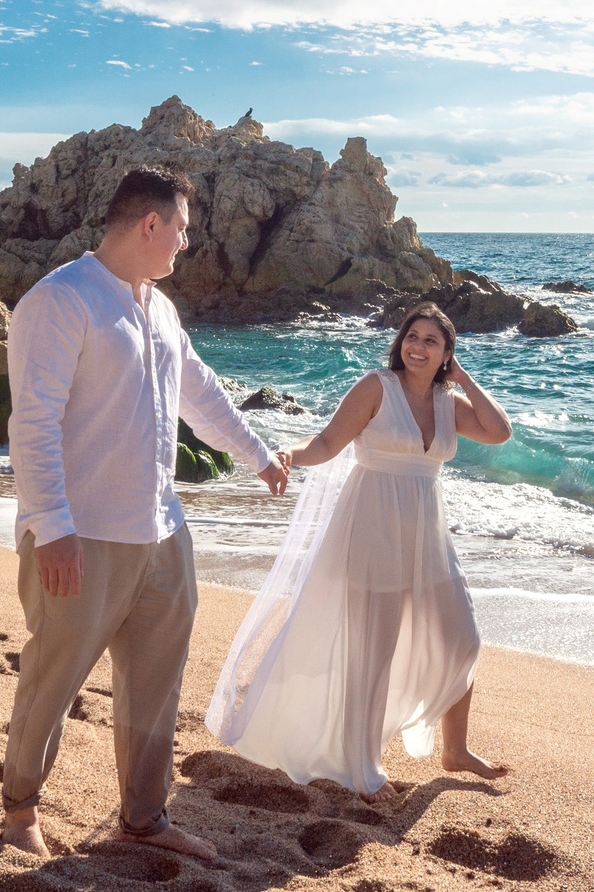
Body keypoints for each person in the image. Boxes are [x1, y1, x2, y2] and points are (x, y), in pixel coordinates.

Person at [0, 165, 289, 859]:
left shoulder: (159, 307)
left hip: (161, 527)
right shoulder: (62, 299)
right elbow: (32, 422)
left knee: (157, 681)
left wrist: (258, 453)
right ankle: (19, 809)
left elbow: (202, 392)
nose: (186, 243)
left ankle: (144, 817)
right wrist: (53, 524)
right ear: (149, 224)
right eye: (182, 229)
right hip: (82, 532)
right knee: (55, 673)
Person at [205, 301, 512, 797]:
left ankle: (455, 750)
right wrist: (287, 455)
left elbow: (500, 432)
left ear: (447, 354)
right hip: (372, 527)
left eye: (431, 341)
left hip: (428, 536)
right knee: (375, 650)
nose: (417, 346)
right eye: (412, 336)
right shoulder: (376, 387)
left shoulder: (449, 405)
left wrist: (465, 380)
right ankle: (363, 767)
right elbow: (328, 442)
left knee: (463, 637)